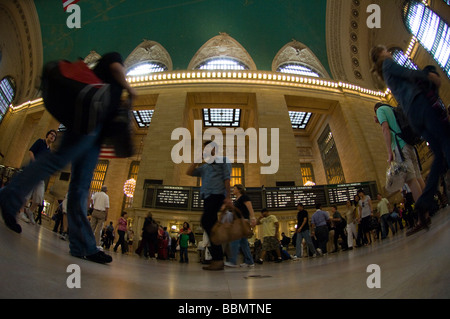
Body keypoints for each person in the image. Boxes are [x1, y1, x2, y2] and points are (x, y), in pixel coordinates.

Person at [0, 51, 137, 264]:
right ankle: (10, 195)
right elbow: (115, 68)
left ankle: (83, 245)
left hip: (96, 135)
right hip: (87, 122)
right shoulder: (114, 58)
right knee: (58, 161)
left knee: (81, 186)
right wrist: (130, 89)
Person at [370, 45, 450, 235]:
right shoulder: (388, 70)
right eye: (386, 51)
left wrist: (389, 153)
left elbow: (385, 129)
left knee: (437, 157)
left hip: (413, 121)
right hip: (413, 128)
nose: (389, 52)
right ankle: (427, 205)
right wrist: (428, 76)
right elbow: (406, 73)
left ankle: (423, 204)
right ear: (381, 53)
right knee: (440, 151)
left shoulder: (386, 83)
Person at [186, 140, 231, 271]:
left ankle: (217, 259)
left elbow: (227, 178)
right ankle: (217, 259)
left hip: (217, 195)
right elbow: (189, 172)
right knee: (210, 225)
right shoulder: (204, 167)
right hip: (206, 198)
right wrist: (198, 159)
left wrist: (228, 197)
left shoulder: (223, 160)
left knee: (206, 221)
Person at [374, 102, 425, 201]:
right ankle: (430, 206)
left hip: (400, 147)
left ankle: (424, 213)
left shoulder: (380, 110)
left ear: (376, 109)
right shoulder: (392, 109)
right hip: (409, 145)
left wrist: (389, 152)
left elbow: (385, 129)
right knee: (418, 177)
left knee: (411, 180)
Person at [19, 130, 57, 225]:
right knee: (27, 193)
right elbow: (31, 152)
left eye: (54, 136)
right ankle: (21, 212)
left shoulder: (49, 151)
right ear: (47, 135)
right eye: (51, 134)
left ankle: (30, 211)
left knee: (39, 197)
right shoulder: (40, 142)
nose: (52, 136)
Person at [226, 184, 256, 268]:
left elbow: (250, 208)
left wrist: (253, 218)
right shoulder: (236, 200)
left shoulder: (244, 197)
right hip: (237, 221)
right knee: (243, 243)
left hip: (242, 221)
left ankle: (232, 261)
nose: (233, 190)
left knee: (234, 240)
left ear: (239, 190)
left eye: (234, 188)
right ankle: (249, 261)